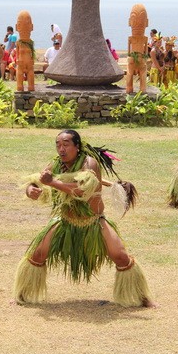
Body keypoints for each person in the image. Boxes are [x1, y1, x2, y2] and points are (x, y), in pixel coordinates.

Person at [14, 130, 154, 307]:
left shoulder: (90, 164)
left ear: (77, 147)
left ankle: (143, 298)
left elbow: (82, 190)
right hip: (66, 221)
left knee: (120, 256)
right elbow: (39, 181)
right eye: (58, 145)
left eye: (66, 144)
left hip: (93, 221)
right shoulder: (56, 164)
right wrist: (31, 190)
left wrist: (52, 183)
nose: (61, 149)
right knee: (38, 254)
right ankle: (22, 295)